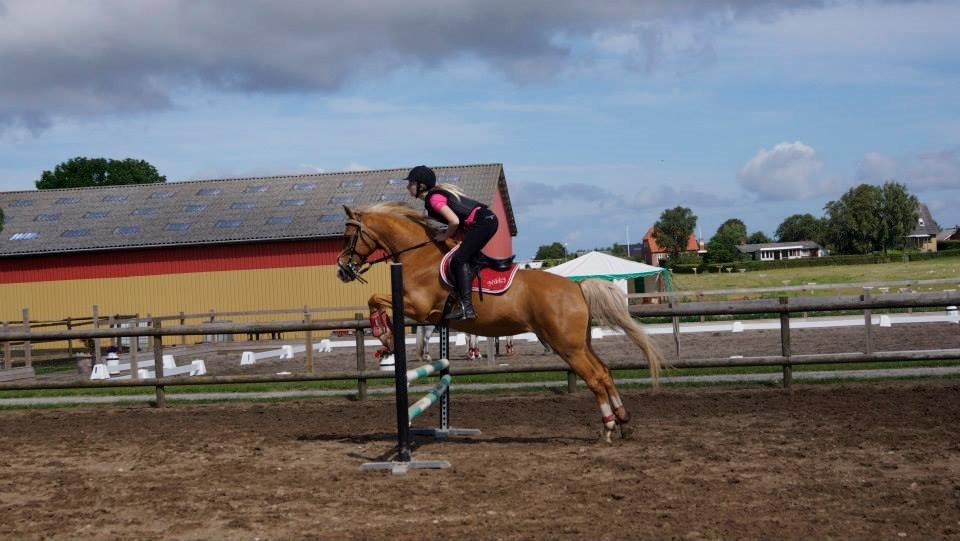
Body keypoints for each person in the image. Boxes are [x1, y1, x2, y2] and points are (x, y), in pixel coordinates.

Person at [405, 165, 499, 320]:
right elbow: (459, 222)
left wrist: (444, 236)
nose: (408, 187)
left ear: (421, 185)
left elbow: (454, 221)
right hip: (483, 221)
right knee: (462, 255)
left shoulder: (433, 199)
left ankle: (466, 307)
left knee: (459, 259)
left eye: (411, 183)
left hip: (483, 222)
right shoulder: (433, 198)